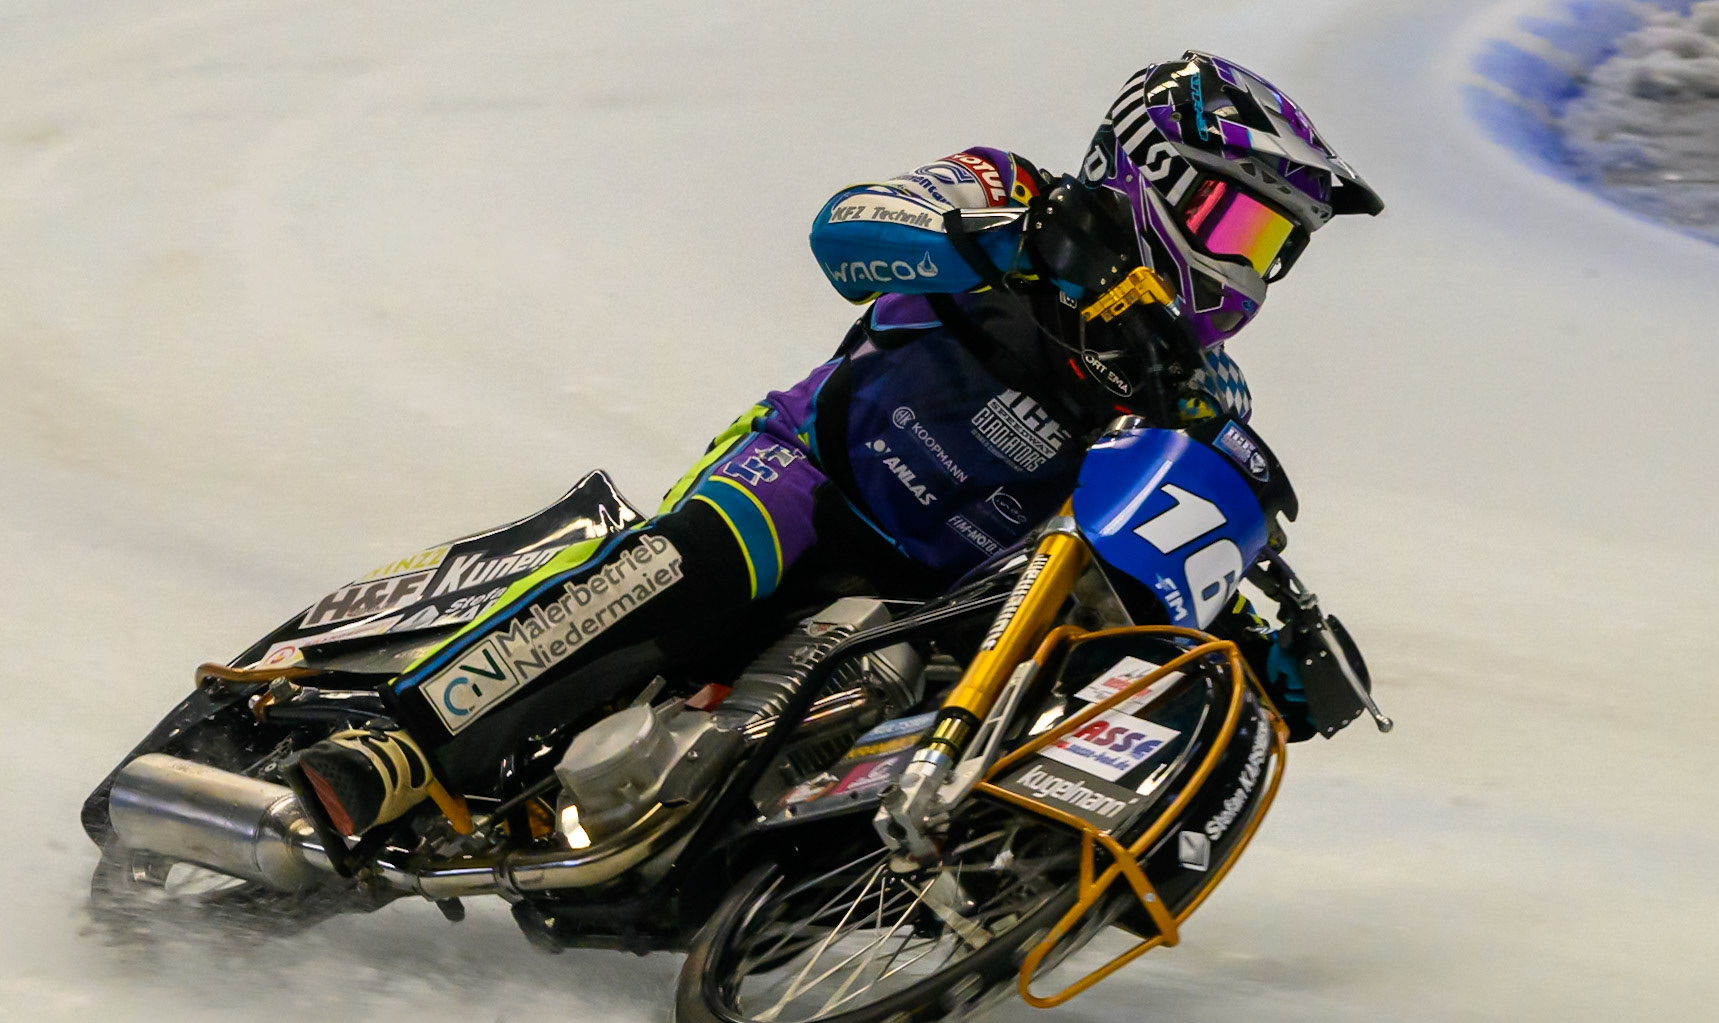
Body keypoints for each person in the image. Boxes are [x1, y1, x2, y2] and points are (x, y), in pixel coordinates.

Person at [296, 51, 1383, 839]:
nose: (1249, 269)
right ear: (1153, 173)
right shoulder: (1015, 190)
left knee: (1030, 688)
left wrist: (1255, 643)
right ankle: (399, 744)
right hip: (813, 476)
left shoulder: (1202, 387)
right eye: (1240, 227)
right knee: (705, 560)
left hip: (949, 599)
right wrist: (1009, 241)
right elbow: (849, 229)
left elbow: (1159, 533)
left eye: (1274, 247)